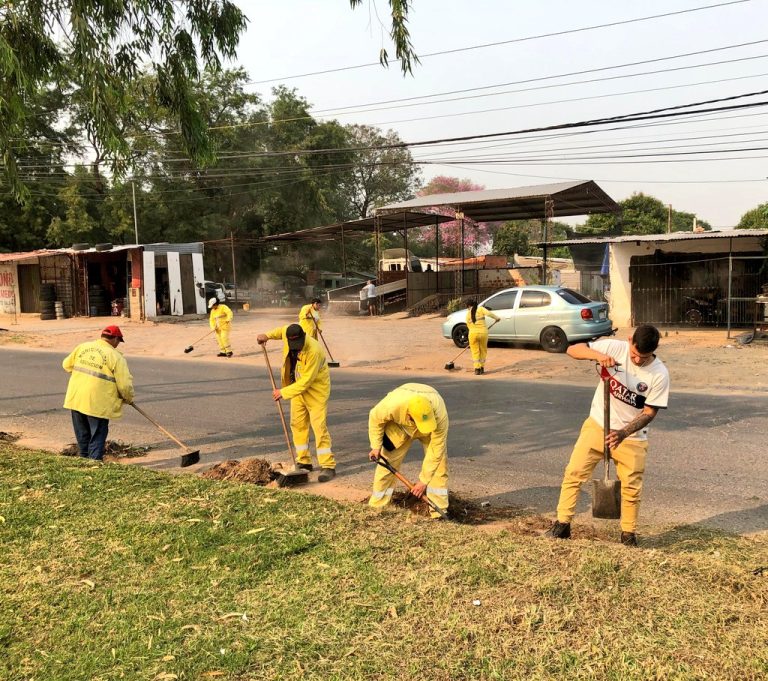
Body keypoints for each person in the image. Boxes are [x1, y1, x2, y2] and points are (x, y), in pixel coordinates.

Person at [547, 325, 670, 546]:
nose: (638, 360)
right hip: (597, 425)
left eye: (644, 357)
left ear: (654, 350)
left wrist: (623, 433)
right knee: (573, 473)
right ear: (630, 340)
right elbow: (573, 349)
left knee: (631, 487)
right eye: (634, 354)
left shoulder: (660, 374)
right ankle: (562, 525)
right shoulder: (614, 347)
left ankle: (628, 535)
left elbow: (650, 412)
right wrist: (599, 356)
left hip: (631, 436)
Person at [257, 323, 336, 482]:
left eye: (299, 345)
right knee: (298, 424)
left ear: (303, 337)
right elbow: (280, 330)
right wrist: (266, 335)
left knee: (319, 427)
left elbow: (307, 381)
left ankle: (328, 466)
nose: (297, 348)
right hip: (296, 388)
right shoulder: (288, 332)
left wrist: (283, 392)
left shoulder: (314, 351)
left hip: (315, 391)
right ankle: (304, 462)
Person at [367, 383, 449, 519]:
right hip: (401, 428)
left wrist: (423, 481)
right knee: (387, 462)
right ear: (409, 416)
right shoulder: (392, 405)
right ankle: (377, 505)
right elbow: (375, 419)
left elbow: (436, 450)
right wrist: (375, 447)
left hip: (431, 431)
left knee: (439, 465)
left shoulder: (440, 416)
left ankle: (439, 511)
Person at [62, 325, 134, 460]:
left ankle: (83, 459)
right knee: (97, 433)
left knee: (82, 432)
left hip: (76, 398)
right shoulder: (116, 357)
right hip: (98, 402)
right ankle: (94, 463)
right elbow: (124, 385)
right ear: (115, 339)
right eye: (118, 341)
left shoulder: (82, 347)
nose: (117, 345)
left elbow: (66, 365)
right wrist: (128, 398)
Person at [466, 299, 500, 375]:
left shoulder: (468, 313)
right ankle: (482, 367)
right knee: (483, 350)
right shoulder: (481, 309)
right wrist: (497, 318)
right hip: (483, 333)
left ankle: (477, 369)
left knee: (475, 351)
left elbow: (468, 325)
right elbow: (489, 313)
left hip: (472, 334)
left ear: (469, 306)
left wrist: (474, 331)